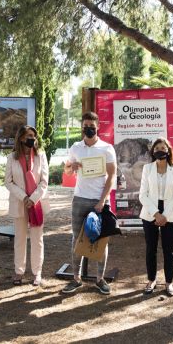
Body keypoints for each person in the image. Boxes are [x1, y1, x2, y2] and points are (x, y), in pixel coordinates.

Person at [62, 111, 117, 295]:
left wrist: (102, 200)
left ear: (98, 127)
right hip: (79, 199)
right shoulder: (76, 147)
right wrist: (71, 167)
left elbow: (112, 176)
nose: (89, 129)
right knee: (76, 239)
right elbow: (68, 171)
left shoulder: (107, 148)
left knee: (101, 241)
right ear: (82, 127)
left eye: (92, 127)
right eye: (85, 126)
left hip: (99, 201)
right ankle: (76, 279)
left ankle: (100, 279)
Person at [5, 125, 48, 286]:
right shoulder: (12, 157)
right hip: (20, 202)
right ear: (21, 138)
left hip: (36, 203)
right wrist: (24, 197)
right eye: (29, 135)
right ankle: (19, 271)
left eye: (34, 136)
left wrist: (34, 198)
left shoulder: (40, 156)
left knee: (37, 239)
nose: (32, 138)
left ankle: (37, 273)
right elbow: (8, 182)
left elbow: (44, 181)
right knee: (20, 239)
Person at [139, 138, 173, 297]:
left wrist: (165, 215)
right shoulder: (147, 168)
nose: (160, 150)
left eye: (163, 147)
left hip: (169, 213)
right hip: (150, 211)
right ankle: (151, 280)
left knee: (169, 250)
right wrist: (156, 214)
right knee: (151, 248)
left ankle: (169, 283)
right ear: (153, 151)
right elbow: (143, 195)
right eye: (157, 148)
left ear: (168, 151)